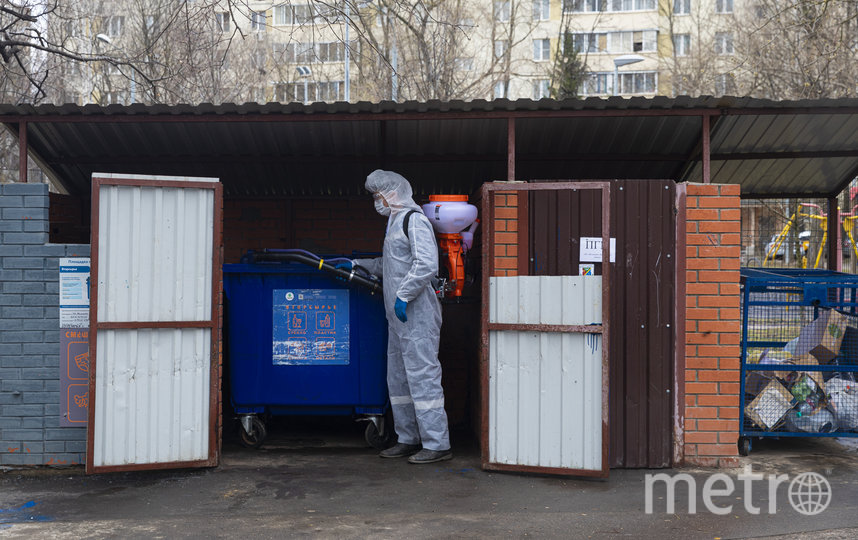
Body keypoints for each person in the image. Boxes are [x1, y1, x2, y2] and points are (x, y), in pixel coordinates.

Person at [338, 169, 452, 464]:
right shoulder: (394, 223)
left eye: (378, 196)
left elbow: (426, 264)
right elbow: (390, 265)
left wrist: (404, 295)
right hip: (398, 317)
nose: (376, 201)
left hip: (417, 313)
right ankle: (407, 438)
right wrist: (357, 264)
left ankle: (437, 443)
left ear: (392, 193)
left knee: (423, 376)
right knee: (399, 379)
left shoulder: (414, 220)